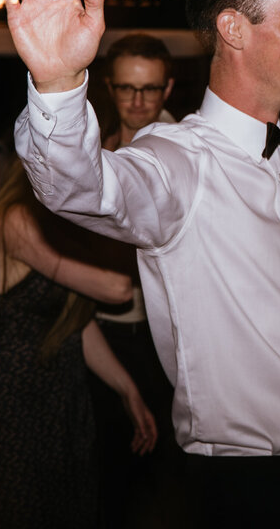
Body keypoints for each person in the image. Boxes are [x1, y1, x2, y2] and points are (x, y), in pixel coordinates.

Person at [5, 0, 280, 528]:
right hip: (247, 488)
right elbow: (81, 187)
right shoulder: (175, 162)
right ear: (232, 28)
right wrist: (59, 83)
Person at [0, 161, 157, 529]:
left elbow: (74, 327)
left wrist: (128, 390)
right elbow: (117, 289)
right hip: (11, 412)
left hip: (61, 409)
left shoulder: (62, 226)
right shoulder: (14, 219)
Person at [93, 31, 185, 528]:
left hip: (160, 335)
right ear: (110, 88)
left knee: (163, 472)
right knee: (111, 472)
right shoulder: (102, 145)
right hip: (103, 328)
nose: (137, 101)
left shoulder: (182, 151)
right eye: (126, 88)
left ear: (167, 89)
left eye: (149, 89)